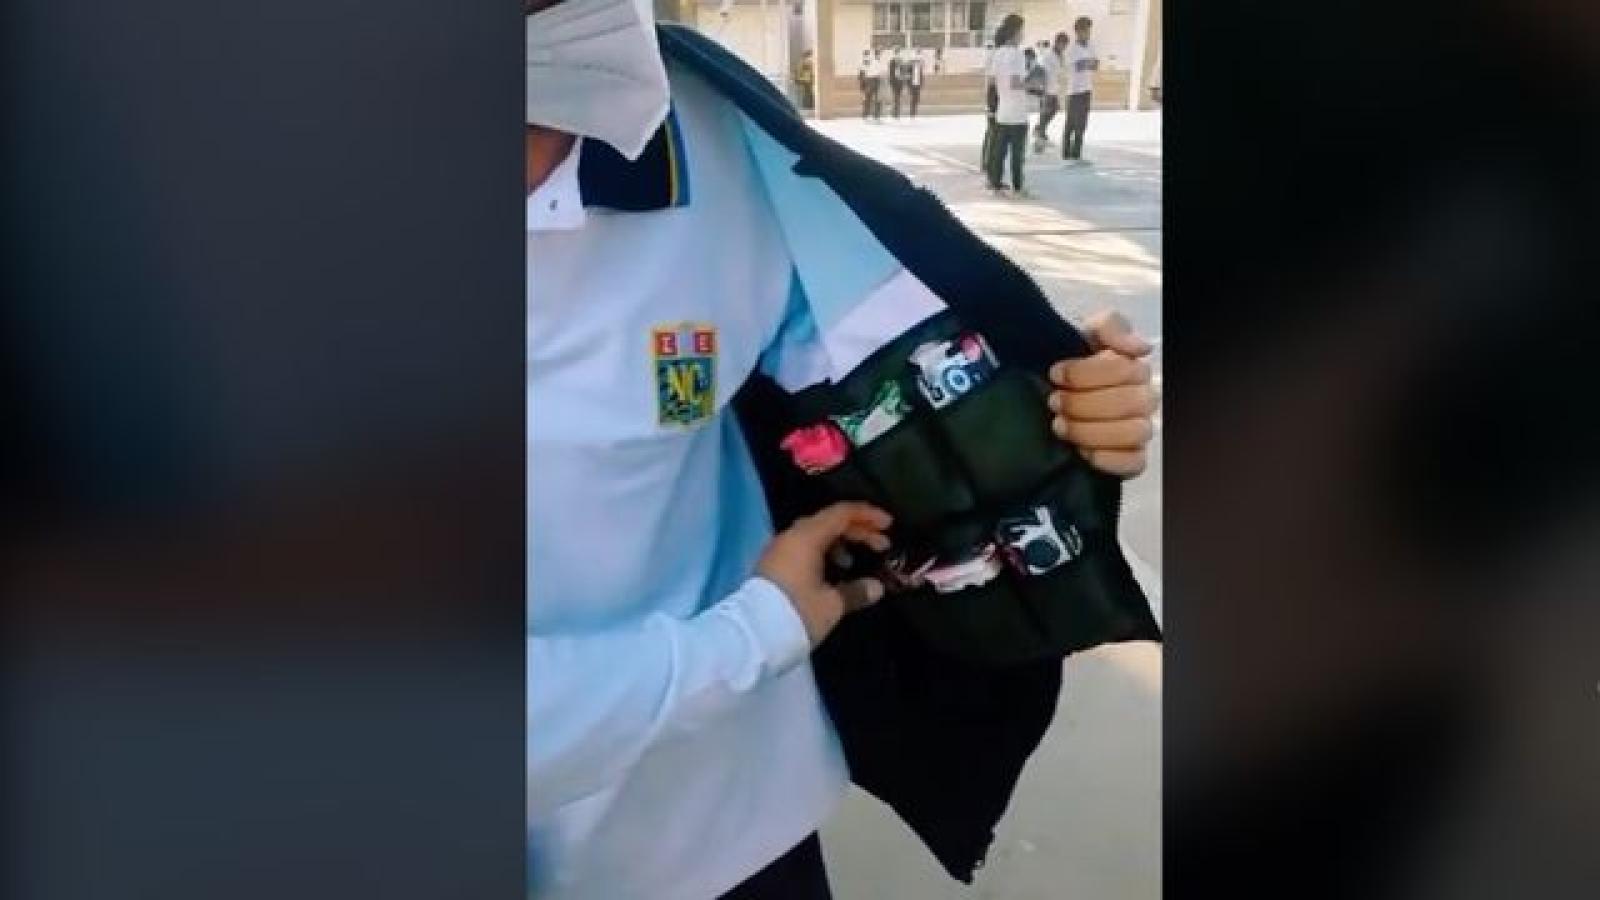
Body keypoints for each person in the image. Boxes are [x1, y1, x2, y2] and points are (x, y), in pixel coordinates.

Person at [527, 0, 1158, 896]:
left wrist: (1057, 400)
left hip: (737, 821)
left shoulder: (710, 132)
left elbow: (901, 363)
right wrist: (754, 633)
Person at [986, 14, 1031, 195]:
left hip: (1002, 111)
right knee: (1017, 154)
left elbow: (992, 82)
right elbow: (1016, 83)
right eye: (1022, 31)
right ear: (1016, 32)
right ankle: (1018, 187)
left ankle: (995, 183)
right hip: (1018, 112)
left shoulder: (998, 53)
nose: (1023, 35)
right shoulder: (1017, 54)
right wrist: (1034, 84)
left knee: (999, 152)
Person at [1063, 16, 1099, 164]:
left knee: (1082, 124)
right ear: (1078, 31)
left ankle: (1076, 153)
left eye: (1089, 31)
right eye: (1086, 31)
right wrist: (1087, 63)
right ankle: (1066, 153)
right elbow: (1078, 66)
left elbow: (1095, 65)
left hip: (1086, 89)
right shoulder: (1071, 49)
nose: (1088, 33)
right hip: (1074, 91)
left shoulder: (1091, 46)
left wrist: (1086, 63)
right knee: (1071, 123)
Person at [1034, 33, 1067, 153]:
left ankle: (1039, 130)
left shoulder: (1060, 56)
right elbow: (1043, 72)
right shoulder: (1048, 55)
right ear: (1057, 42)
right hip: (1047, 89)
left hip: (1054, 89)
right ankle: (1039, 140)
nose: (1063, 47)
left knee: (1054, 109)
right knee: (1045, 113)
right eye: (1062, 44)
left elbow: (1061, 70)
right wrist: (1043, 89)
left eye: (1065, 45)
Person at [863, 48, 885, 121]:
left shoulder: (879, 61)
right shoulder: (871, 60)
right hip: (871, 79)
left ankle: (876, 115)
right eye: (879, 53)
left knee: (877, 98)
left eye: (880, 54)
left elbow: (882, 71)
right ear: (876, 54)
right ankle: (866, 114)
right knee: (869, 97)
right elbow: (865, 69)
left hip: (877, 79)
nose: (879, 55)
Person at [906, 48, 925, 118]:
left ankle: (914, 112)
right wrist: (908, 86)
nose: (917, 62)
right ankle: (912, 113)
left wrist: (921, 84)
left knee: (917, 99)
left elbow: (921, 77)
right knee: (913, 99)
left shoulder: (920, 68)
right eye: (916, 61)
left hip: (918, 85)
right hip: (912, 85)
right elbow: (908, 77)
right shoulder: (910, 68)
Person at [888, 47, 906, 119]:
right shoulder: (892, 61)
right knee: (896, 96)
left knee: (898, 97)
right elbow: (891, 72)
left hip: (900, 81)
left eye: (898, 52)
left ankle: (897, 112)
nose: (898, 53)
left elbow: (903, 72)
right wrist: (892, 80)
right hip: (894, 81)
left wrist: (903, 80)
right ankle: (895, 112)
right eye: (896, 52)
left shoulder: (901, 61)